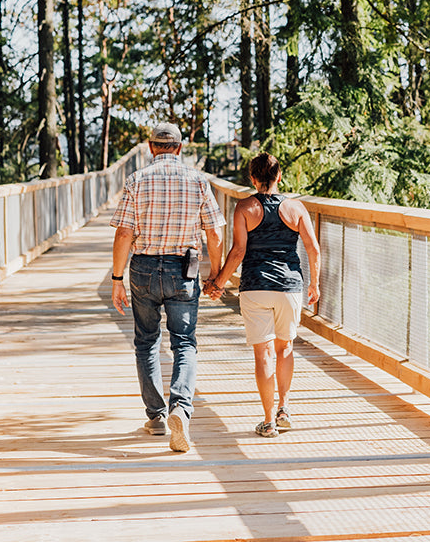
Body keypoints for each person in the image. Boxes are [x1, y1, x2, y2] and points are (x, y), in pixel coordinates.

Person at [111, 122, 225, 453]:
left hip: (144, 267)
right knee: (184, 343)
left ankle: (157, 416)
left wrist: (117, 280)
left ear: (151, 147)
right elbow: (215, 234)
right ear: (179, 147)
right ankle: (181, 409)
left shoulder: (136, 180)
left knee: (146, 341)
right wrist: (216, 275)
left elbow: (123, 234)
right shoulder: (198, 181)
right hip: (184, 267)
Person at [204, 152, 320, 438]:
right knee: (286, 348)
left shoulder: (245, 207)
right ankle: (284, 408)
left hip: (255, 286)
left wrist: (218, 282)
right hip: (290, 288)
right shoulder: (297, 208)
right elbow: (313, 249)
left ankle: (268, 421)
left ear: (253, 179)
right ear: (279, 176)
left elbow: (239, 251)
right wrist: (314, 285)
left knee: (263, 353)